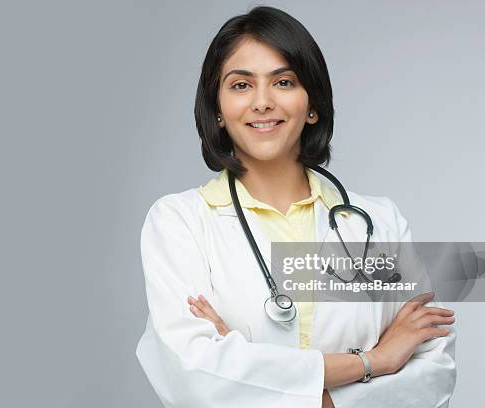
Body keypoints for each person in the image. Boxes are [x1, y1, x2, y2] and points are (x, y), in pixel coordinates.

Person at [136, 6, 456, 407]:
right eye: (240, 85)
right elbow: (193, 373)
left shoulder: (379, 222)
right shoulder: (178, 222)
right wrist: (375, 361)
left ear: (312, 105)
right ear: (217, 109)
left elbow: (433, 368)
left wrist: (257, 374)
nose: (262, 102)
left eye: (284, 81)